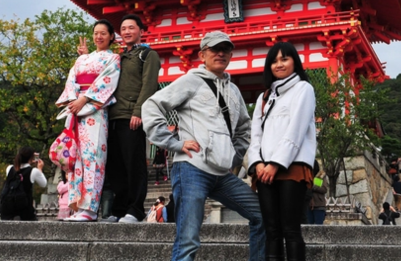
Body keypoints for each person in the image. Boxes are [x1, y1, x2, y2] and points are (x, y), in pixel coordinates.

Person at [142, 31, 265, 261]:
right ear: (202, 54)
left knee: (262, 214)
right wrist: (173, 143)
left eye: (225, 49)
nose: (220, 53)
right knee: (188, 239)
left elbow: (244, 129)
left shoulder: (234, 90)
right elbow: (152, 106)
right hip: (192, 168)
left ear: (230, 55)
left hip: (222, 174)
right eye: (214, 49)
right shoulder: (191, 81)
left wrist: (234, 157)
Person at [247, 41, 316, 261]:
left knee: (291, 229)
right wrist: (258, 163)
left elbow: (296, 130)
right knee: (271, 230)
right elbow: (255, 135)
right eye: (274, 61)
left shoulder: (303, 89)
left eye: (284, 59)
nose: (279, 64)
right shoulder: (264, 97)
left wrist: (275, 164)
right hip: (264, 170)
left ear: (295, 62)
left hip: (291, 167)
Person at [56, 20, 120, 222]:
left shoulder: (114, 58)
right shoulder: (83, 59)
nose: (98, 37)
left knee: (93, 157)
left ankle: (90, 209)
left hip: (94, 111)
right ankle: (77, 207)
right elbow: (71, 80)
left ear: (111, 36)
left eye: (103, 33)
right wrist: (73, 101)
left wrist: (83, 100)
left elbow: (106, 83)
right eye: (96, 33)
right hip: (76, 110)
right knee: (76, 159)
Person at [105, 14, 160, 224]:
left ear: (141, 31)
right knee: (116, 166)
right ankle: (119, 209)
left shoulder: (147, 55)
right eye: (123, 29)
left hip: (131, 116)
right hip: (113, 116)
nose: (126, 32)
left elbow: (149, 85)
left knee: (133, 164)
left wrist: (138, 111)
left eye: (131, 27)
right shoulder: (117, 58)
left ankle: (135, 210)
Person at [1, 147, 47, 221]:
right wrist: (40, 169)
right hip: (24, 209)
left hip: (7, 208)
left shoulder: (9, 168)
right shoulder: (33, 171)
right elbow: (43, 184)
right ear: (31, 158)